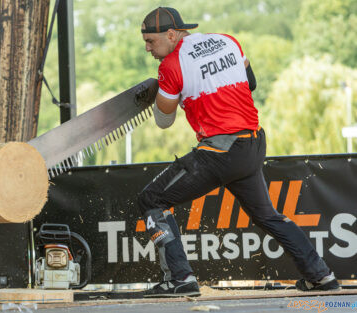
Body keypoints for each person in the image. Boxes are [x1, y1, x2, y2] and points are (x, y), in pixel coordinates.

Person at [138, 7, 339, 297]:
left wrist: (160, 94)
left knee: (151, 199)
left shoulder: (172, 65)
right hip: (252, 144)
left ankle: (180, 278)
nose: (148, 49)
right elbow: (251, 83)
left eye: (151, 42)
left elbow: (163, 121)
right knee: (268, 216)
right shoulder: (227, 40)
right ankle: (321, 276)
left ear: (171, 35)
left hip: (219, 152)